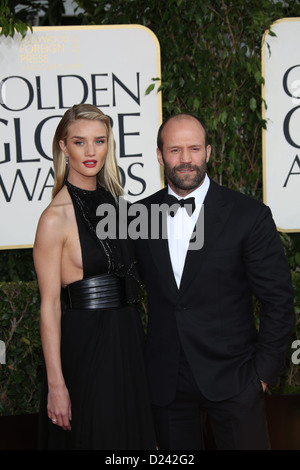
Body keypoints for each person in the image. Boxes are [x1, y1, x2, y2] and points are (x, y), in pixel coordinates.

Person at [133, 113, 294, 450]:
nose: (186, 159)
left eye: (194, 148)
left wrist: (263, 374)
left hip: (235, 378)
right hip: (166, 384)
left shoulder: (248, 215)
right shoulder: (138, 216)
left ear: (208, 151)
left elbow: (278, 300)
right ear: (160, 156)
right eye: (175, 150)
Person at [33, 104, 156, 450]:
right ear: (63, 147)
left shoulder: (117, 205)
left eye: (99, 141)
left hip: (128, 339)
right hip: (87, 347)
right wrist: (57, 384)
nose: (91, 152)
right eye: (79, 142)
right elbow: (49, 307)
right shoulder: (53, 218)